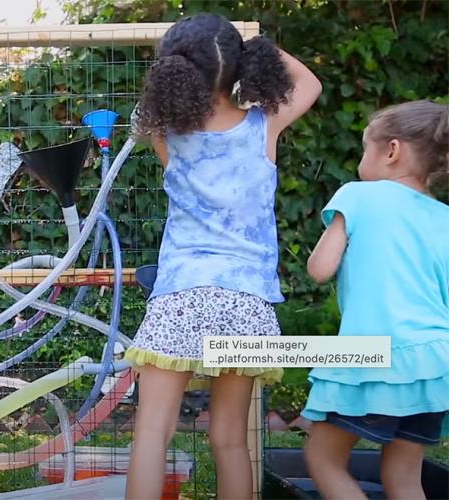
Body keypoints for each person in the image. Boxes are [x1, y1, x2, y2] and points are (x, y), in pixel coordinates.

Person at [123, 14, 321, 499]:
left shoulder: (165, 134)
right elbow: (308, 82)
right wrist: (249, 42)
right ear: (238, 68)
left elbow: (142, 116)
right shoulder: (263, 128)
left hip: (181, 295)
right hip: (245, 302)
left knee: (152, 434)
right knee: (231, 440)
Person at [303, 100, 449, 500]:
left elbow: (319, 269)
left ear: (391, 150)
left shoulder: (358, 196)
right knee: (404, 477)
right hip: (434, 364)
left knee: (323, 457)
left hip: (373, 355)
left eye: (366, 147)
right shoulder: (444, 218)